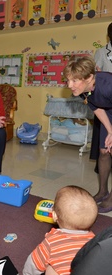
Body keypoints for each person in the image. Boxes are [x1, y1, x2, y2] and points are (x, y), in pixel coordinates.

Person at [63, 55, 112, 213]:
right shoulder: (85, 90)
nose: (70, 85)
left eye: (74, 80)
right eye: (68, 80)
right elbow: (97, 108)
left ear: (90, 77)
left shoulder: (108, 86)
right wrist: (110, 130)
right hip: (108, 113)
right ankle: (103, 191)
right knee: (104, 151)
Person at [22, 185, 98, 275]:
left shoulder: (52, 242)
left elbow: (33, 264)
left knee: (50, 268)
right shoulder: (95, 241)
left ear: (54, 215)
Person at [90, 23, 112, 173]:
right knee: (104, 145)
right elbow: (94, 72)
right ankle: (103, 187)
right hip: (105, 99)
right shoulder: (101, 52)